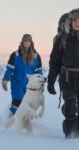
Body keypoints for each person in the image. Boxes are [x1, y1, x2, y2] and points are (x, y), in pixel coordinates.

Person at [47, 8, 79, 138]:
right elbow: (54, 61)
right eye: (75, 20)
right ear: (70, 22)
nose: (77, 22)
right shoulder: (62, 39)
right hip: (67, 78)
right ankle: (70, 134)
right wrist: (51, 80)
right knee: (70, 108)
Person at [2, 34, 43, 117]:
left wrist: (41, 83)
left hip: (30, 85)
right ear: (22, 42)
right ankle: (12, 118)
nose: (26, 43)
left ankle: (26, 120)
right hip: (17, 83)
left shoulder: (36, 56)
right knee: (18, 101)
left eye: (28, 41)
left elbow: (38, 72)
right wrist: (5, 79)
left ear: (31, 43)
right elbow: (9, 69)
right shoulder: (15, 55)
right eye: (25, 41)